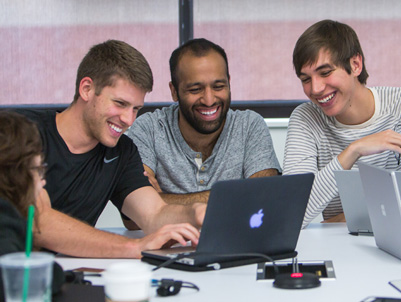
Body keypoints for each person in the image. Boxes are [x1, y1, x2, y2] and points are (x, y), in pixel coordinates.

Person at [16, 40, 204, 259]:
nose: (129, 120)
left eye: (136, 109)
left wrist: (195, 212)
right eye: (120, 104)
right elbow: (37, 221)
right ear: (87, 89)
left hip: (67, 275)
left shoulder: (122, 152)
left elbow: (154, 213)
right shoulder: (22, 133)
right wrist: (134, 247)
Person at [284, 20, 401, 228]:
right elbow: (291, 213)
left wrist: (348, 218)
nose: (316, 89)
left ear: (355, 65)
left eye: (325, 72)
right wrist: (354, 150)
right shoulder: (305, 118)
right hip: (342, 252)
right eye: (305, 79)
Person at [126, 38, 280, 207]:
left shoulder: (249, 126)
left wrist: (161, 201)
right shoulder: (149, 129)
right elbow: (135, 214)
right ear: (174, 91)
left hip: (233, 235)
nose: (208, 100)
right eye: (195, 89)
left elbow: (266, 200)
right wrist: (240, 195)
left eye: (218, 86)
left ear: (229, 83)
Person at [0, 111, 64, 300]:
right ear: (17, 174)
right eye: (38, 170)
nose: (42, 182)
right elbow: (32, 277)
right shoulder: (4, 220)